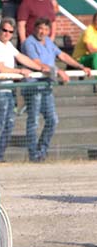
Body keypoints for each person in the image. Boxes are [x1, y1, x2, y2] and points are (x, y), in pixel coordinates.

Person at [21, 17, 92, 162]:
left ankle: (42, 150)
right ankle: (33, 154)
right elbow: (37, 63)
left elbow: (62, 55)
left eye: (46, 29)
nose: (43, 32)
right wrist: (58, 71)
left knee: (53, 120)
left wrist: (80, 66)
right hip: (34, 86)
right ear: (35, 29)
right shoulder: (29, 43)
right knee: (33, 121)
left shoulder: (48, 42)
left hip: (47, 85)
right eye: (40, 28)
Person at [0, 18, 45, 162]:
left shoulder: (8, 45)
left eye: (10, 31)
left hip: (7, 90)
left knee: (9, 123)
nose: (7, 34)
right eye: (4, 30)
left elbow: (21, 57)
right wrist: (20, 71)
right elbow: (1, 68)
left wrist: (40, 68)